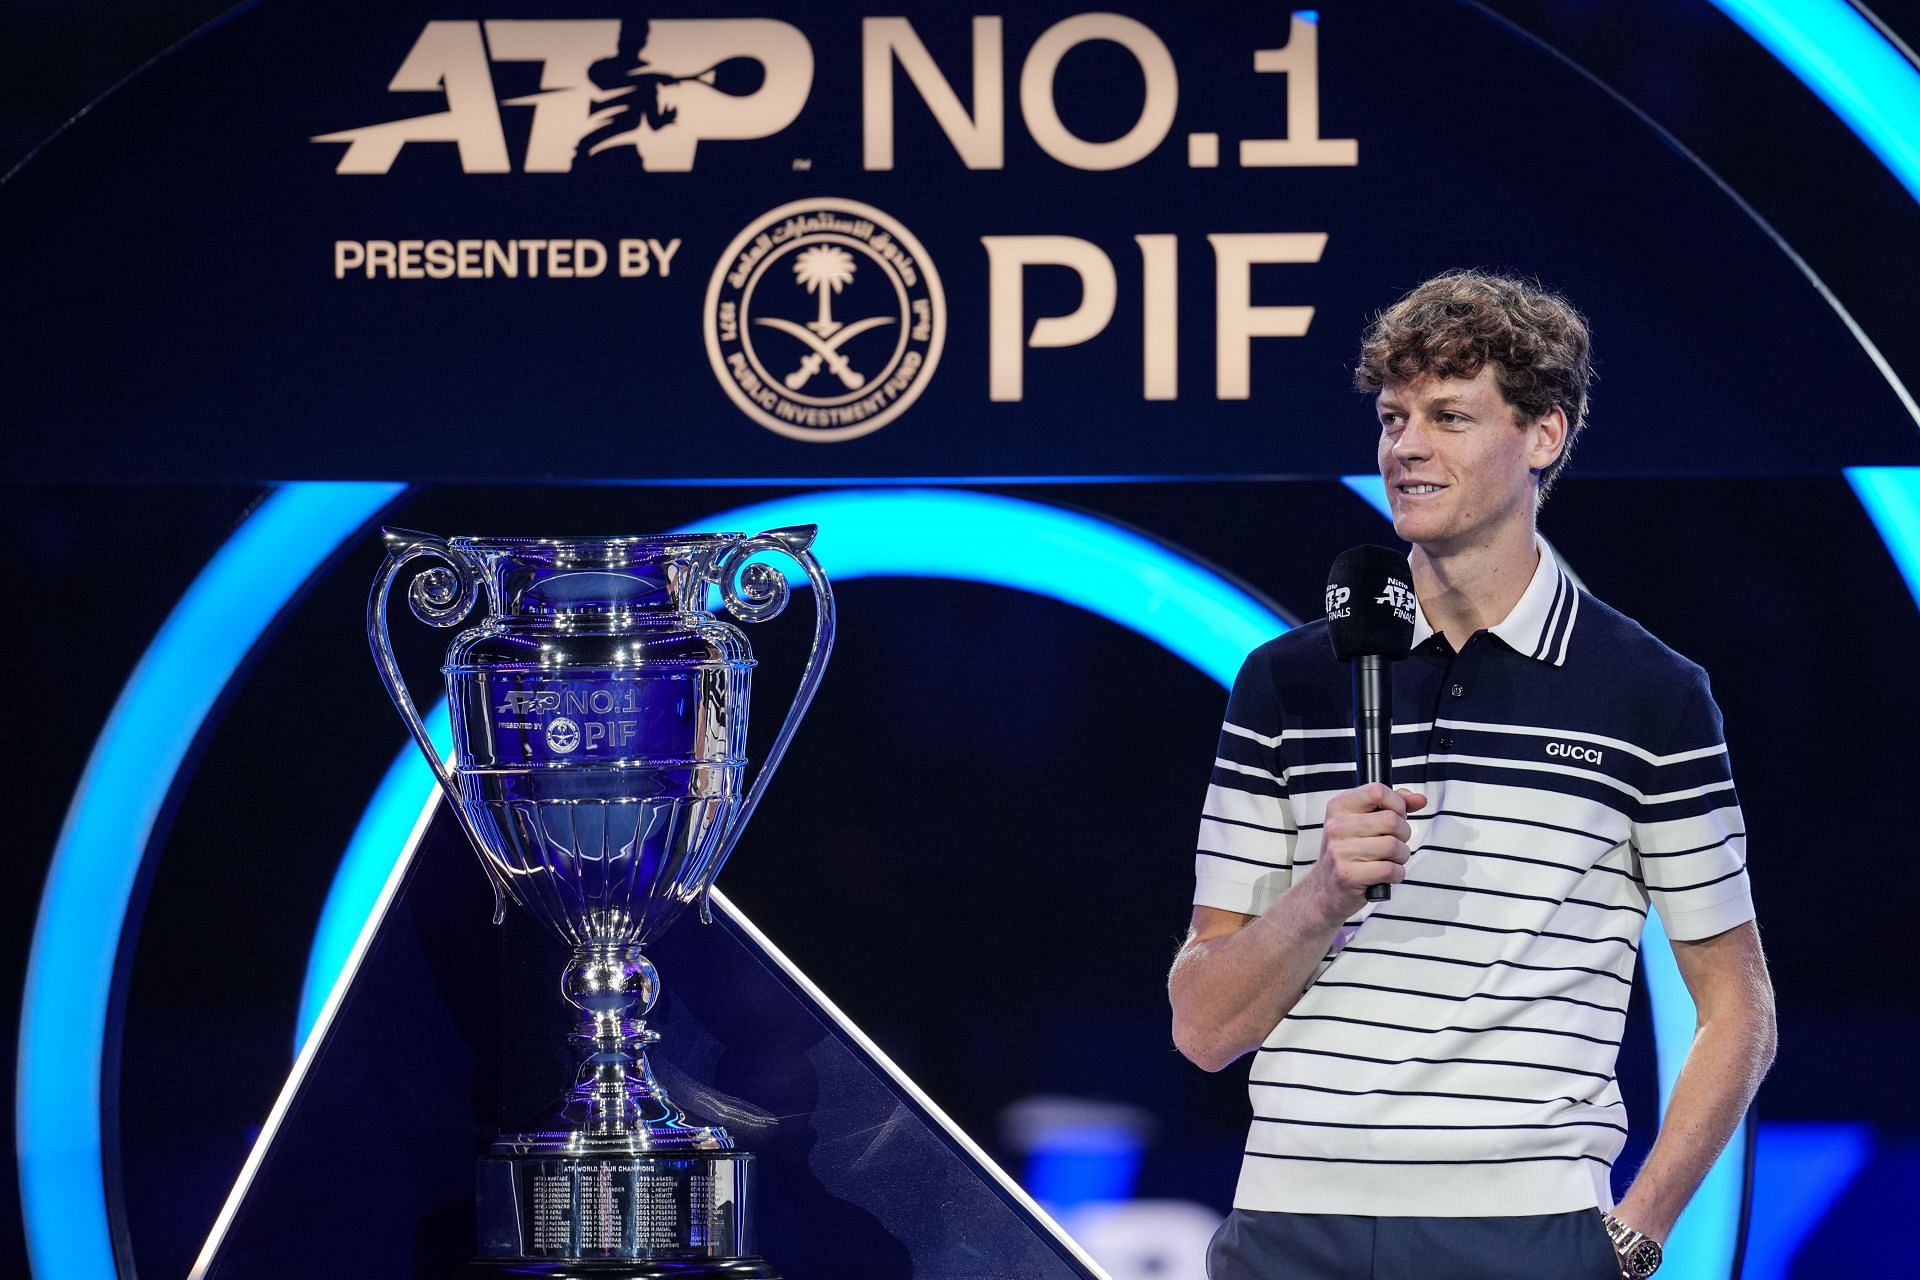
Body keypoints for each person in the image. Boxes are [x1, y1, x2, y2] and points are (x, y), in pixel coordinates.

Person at [1168, 271, 1776, 1280]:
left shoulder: (1650, 694)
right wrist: (1320, 895)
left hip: (1527, 1233)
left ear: (1543, 434)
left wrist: (1634, 1233)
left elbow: (1737, 1008)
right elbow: (1202, 1024)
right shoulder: (1287, 682)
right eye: (1394, 415)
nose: (1405, 445)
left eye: (1449, 415)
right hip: (1290, 1227)